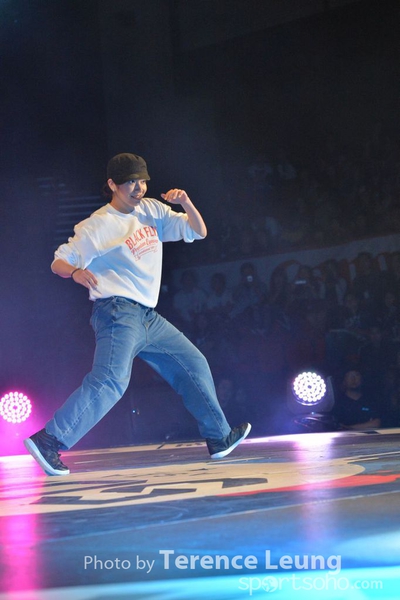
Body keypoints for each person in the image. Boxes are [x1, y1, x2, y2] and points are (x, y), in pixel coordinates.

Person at [24, 153, 251, 475]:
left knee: (192, 363)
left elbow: (197, 231)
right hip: (117, 312)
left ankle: (219, 437)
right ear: (112, 184)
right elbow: (58, 262)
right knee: (110, 380)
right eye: (130, 182)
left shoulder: (152, 211)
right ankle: (49, 441)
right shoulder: (98, 225)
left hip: (147, 317)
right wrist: (75, 272)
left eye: (142, 181)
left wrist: (186, 203)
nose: (138, 188)